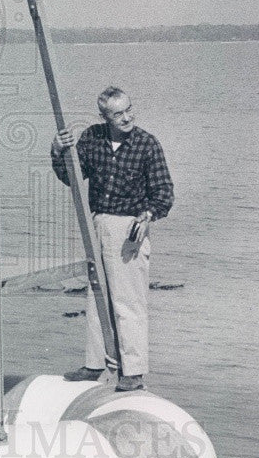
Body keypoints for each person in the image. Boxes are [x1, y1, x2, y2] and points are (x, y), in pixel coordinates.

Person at [51, 86, 173, 392]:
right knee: (96, 296)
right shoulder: (92, 138)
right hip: (98, 223)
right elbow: (71, 177)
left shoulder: (147, 144)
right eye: (118, 113)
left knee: (128, 301)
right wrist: (57, 150)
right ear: (105, 116)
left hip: (130, 227)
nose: (127, 117)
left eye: (129, 109)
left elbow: (164, 194)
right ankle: (95, 365)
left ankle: (133, 372)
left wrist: (148, 216)